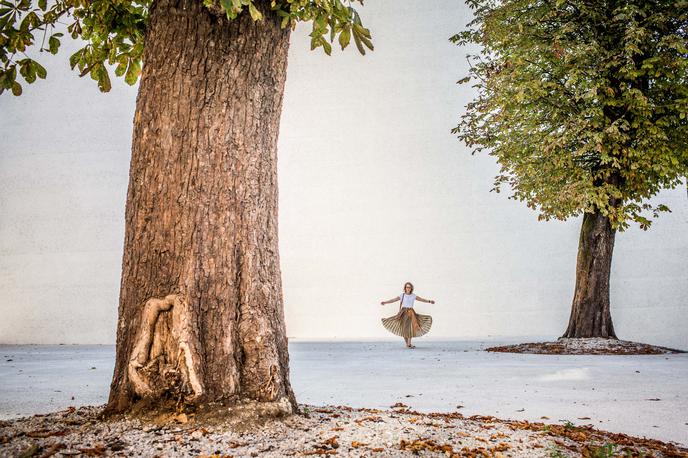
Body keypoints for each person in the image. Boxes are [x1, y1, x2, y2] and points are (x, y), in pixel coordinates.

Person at [380, 282, 435, 348]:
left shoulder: (413, 295)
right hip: (403, 312)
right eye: (406, 287)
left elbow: (422, 299)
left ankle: (409, 344)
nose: (408, 288)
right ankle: (407, 344)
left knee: (410, 327)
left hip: (411, 313)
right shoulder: (402, 295)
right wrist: (385, 302)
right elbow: (393, 300)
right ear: (405, 288)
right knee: (404, 329)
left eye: (409, 287)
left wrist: (429, 301)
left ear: (411, 288)